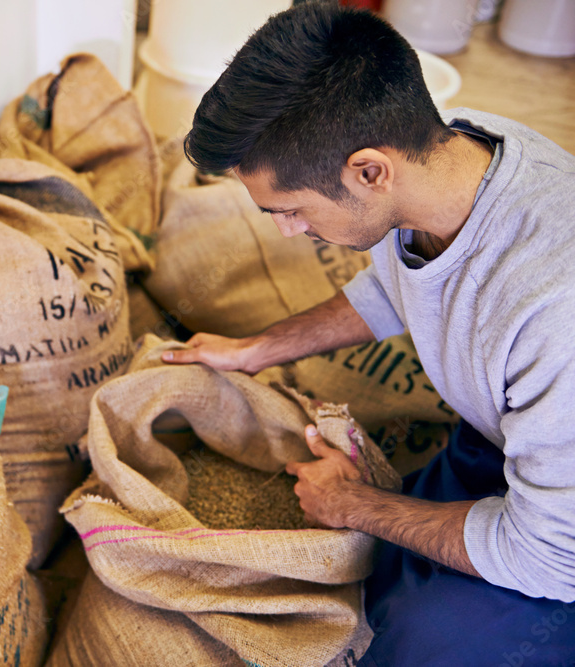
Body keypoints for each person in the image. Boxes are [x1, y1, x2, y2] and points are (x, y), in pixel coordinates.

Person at [161, 2, 575, 665]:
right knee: (377, 573)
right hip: (502, 444)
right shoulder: (454, 151)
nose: (285, 230)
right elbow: (395, 287)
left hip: (563, 545)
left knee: (420, 639)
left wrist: (353, 502)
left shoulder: (552, 306)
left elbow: (552, 555)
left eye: (290, 209)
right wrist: (256, 350)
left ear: (370, 171)